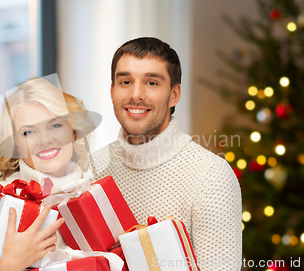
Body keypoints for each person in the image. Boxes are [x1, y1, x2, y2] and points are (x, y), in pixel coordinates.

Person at [91, 37, 242, 270]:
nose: (136, 94)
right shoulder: (92, 168)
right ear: (112, 91)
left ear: (174, 95)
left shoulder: (211, 177)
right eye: (125, 82)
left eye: (151, 83)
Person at [0, 77, 97, 270]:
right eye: (28, 132)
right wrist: (11, 264)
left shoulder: (94, 194)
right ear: (17, 146)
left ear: (73, 132)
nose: (45, 140)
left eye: (55, 125)